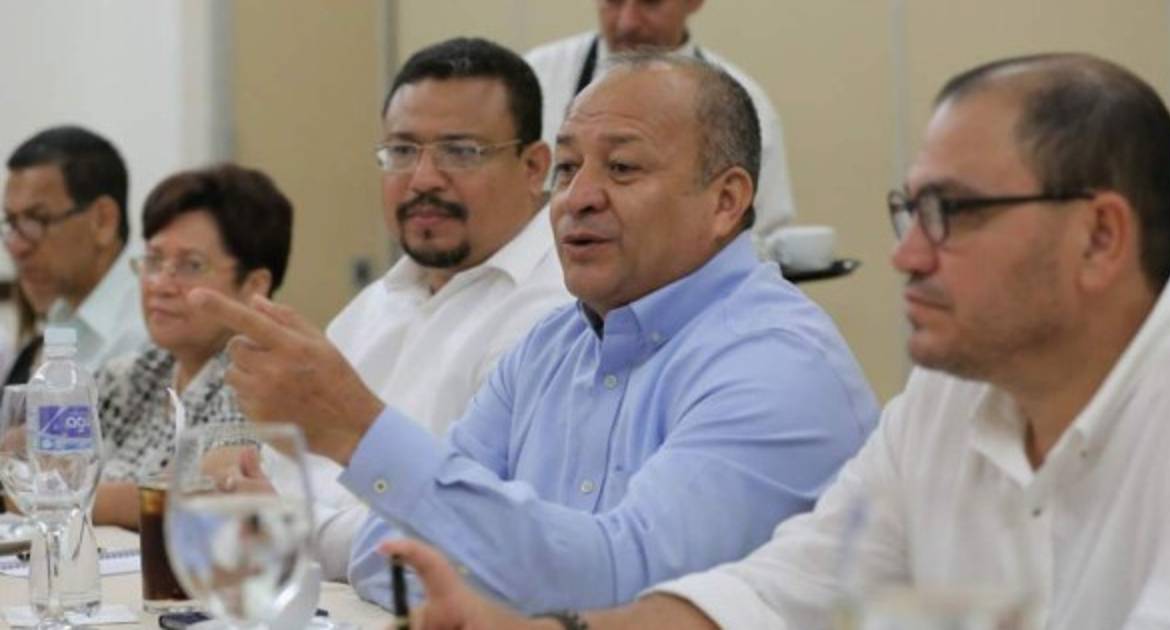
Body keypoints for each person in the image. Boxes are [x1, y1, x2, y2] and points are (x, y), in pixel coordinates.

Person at [382, 52, 1170, 630]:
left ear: (1099, 237)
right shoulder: (946, 397)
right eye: (909, 212)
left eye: (950, 213)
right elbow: (779, 595)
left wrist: (351, 422)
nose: (907, 256)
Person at [191, 51, 877, 613]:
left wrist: (356, 429)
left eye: (623, 167)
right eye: (570, 168)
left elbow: (622, 590)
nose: (578, 197)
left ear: (726, 201)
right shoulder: (553, 348)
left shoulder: (776, 364)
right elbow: (391, 558)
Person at [298, 37, 571, 579]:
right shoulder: (374, 305)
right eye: (402, 151)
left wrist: (294, 529)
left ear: (534, 166)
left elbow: (469, 535)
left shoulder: (559, 310)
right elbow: (279, 479)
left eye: (460, 152)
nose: (422, 179)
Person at [91, 164, 293, 529]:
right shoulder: (134, 374)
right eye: (154, 261)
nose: (160, 284)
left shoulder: (261, 379)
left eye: (190, 266)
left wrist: (65, 497)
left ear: (254, 285)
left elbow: (200, 496)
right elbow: (42, 465)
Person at [525, 0, 798, 242]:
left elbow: (763, 238)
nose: (628, 22)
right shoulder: (539, 76)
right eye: (567, 166)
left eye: (651, 2)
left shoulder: (745, 105)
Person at [3, 125, 147, 372]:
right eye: (11, 222)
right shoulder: (60, 318)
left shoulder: (150, 331)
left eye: (38, 219)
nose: (16, 247)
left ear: (103, 221)